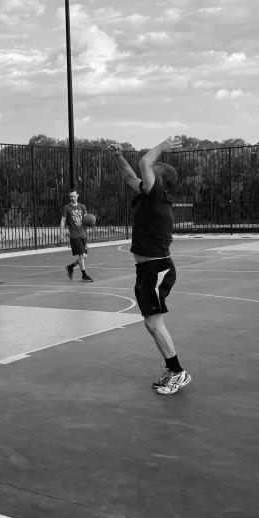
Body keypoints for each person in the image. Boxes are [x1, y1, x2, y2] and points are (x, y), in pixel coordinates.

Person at [109, 136, 191, 395]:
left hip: (157, 269)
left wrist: (162, 147)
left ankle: (178, 372)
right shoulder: (148, 194)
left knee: (154, 323)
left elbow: (145, 162)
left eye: (151, 174)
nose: (146, 175)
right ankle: (172, 369)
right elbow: (129, 176)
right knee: (151, 323)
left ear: (159, 181)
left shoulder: (157, 197)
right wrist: (119, 155)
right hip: (148, 269)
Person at [60, 189, 93, 282]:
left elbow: (86, 219)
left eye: (74, 196)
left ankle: (70, 267)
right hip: (74, 235)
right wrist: (61, 233)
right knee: (81, 255)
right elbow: (63, 221)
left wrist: (90, 222)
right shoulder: (66, 208)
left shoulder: (82, 207)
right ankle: (84, 275)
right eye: (71, 196)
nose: (72, 198)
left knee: (84, 256)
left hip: (83, 234)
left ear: (78, 195)